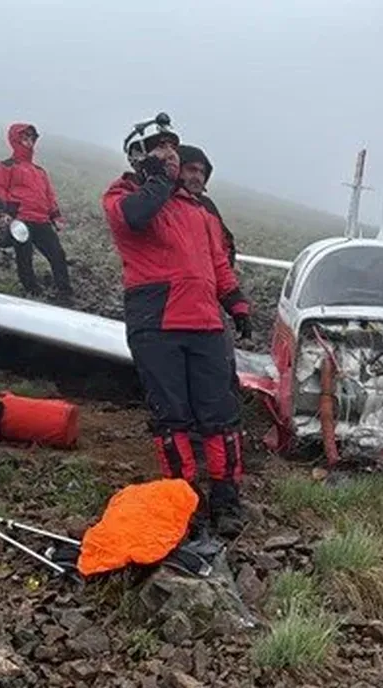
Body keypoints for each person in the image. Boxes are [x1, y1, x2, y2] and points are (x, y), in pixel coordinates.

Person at [101, 113, 254, 541]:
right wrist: (157, 181)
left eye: (172, 146)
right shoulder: (123, 195)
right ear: (139, 155)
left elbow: (217, 263)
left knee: (220, 416)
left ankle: (226, 499)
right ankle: (182, 502)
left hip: (205, 322)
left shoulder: (197, 210)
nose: (169, 154)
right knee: (172, 419)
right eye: (160, 147)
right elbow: (134, 217)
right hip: (157, 323)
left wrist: (236, 303)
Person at [177, 144, 241, 396]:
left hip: (209, 296)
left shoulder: (208, 207)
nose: (197, 177)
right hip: (177, 299)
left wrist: (232, 298)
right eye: (190, 169)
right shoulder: (164, 204)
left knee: (222, 360)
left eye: (202, 173)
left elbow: (222, 252)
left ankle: (224, 410)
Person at [0, 123, 71, 299]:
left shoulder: (40, 171)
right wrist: (3, 213)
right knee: (24, 257)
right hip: (19, 220)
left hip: (42, 220)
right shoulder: (6, 166)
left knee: (57, 255)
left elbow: (49, 195)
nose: (29, 142)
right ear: (15, 140)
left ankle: (65, 294)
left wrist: (56, 216)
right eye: (24, 138)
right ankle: (32, 293)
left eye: (31, 139)